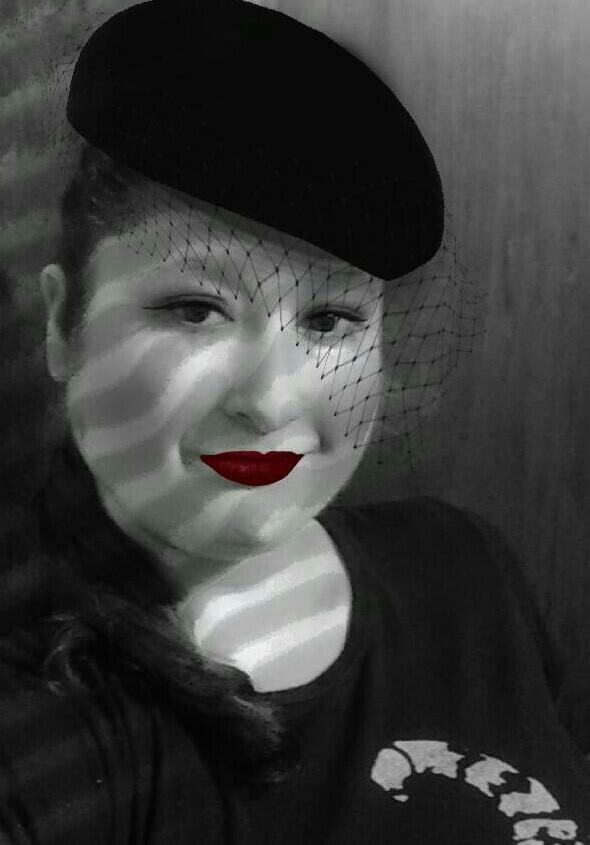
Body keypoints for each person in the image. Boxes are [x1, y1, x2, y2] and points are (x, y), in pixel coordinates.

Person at [1, 1, 589, 842]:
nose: (272, 400)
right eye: (195, 308)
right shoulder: (37, 725)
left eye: (330, 320)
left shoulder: (465, 573)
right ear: (65, 324)